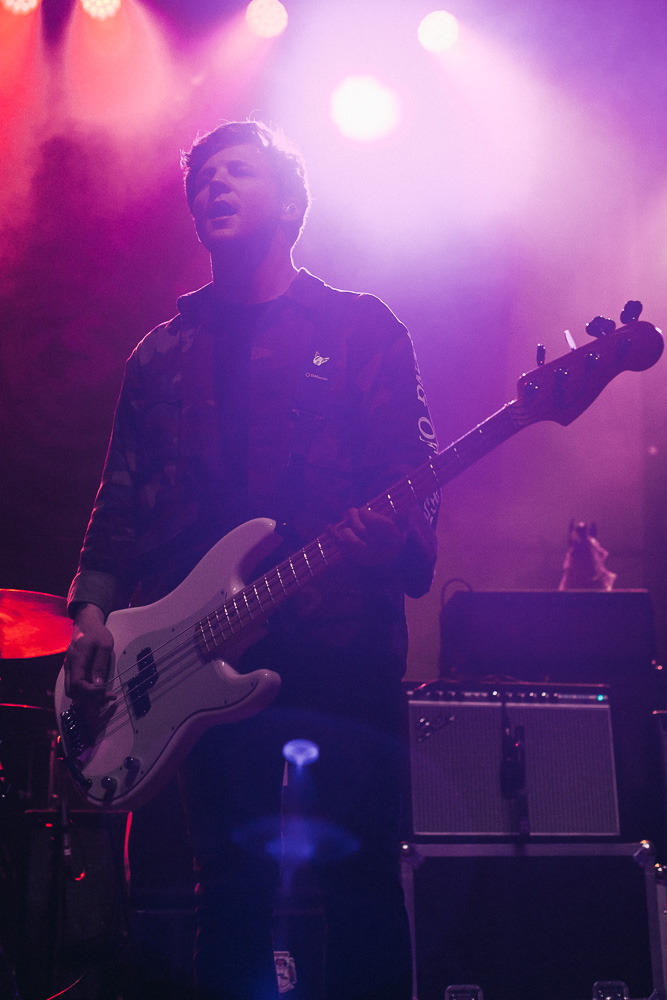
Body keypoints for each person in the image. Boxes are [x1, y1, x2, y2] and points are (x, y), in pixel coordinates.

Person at [64, 119, 440, 1000]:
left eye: (237, 171)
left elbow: (409, 476)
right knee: (226, 889)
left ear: (292, 203)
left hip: (340, 647)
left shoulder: (359, 330)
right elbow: (119, 500)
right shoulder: (161, 353)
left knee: (358, 882)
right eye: (202, 178)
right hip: (197, 657)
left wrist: (390, 538)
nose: (214, 186)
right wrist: (90, 613)